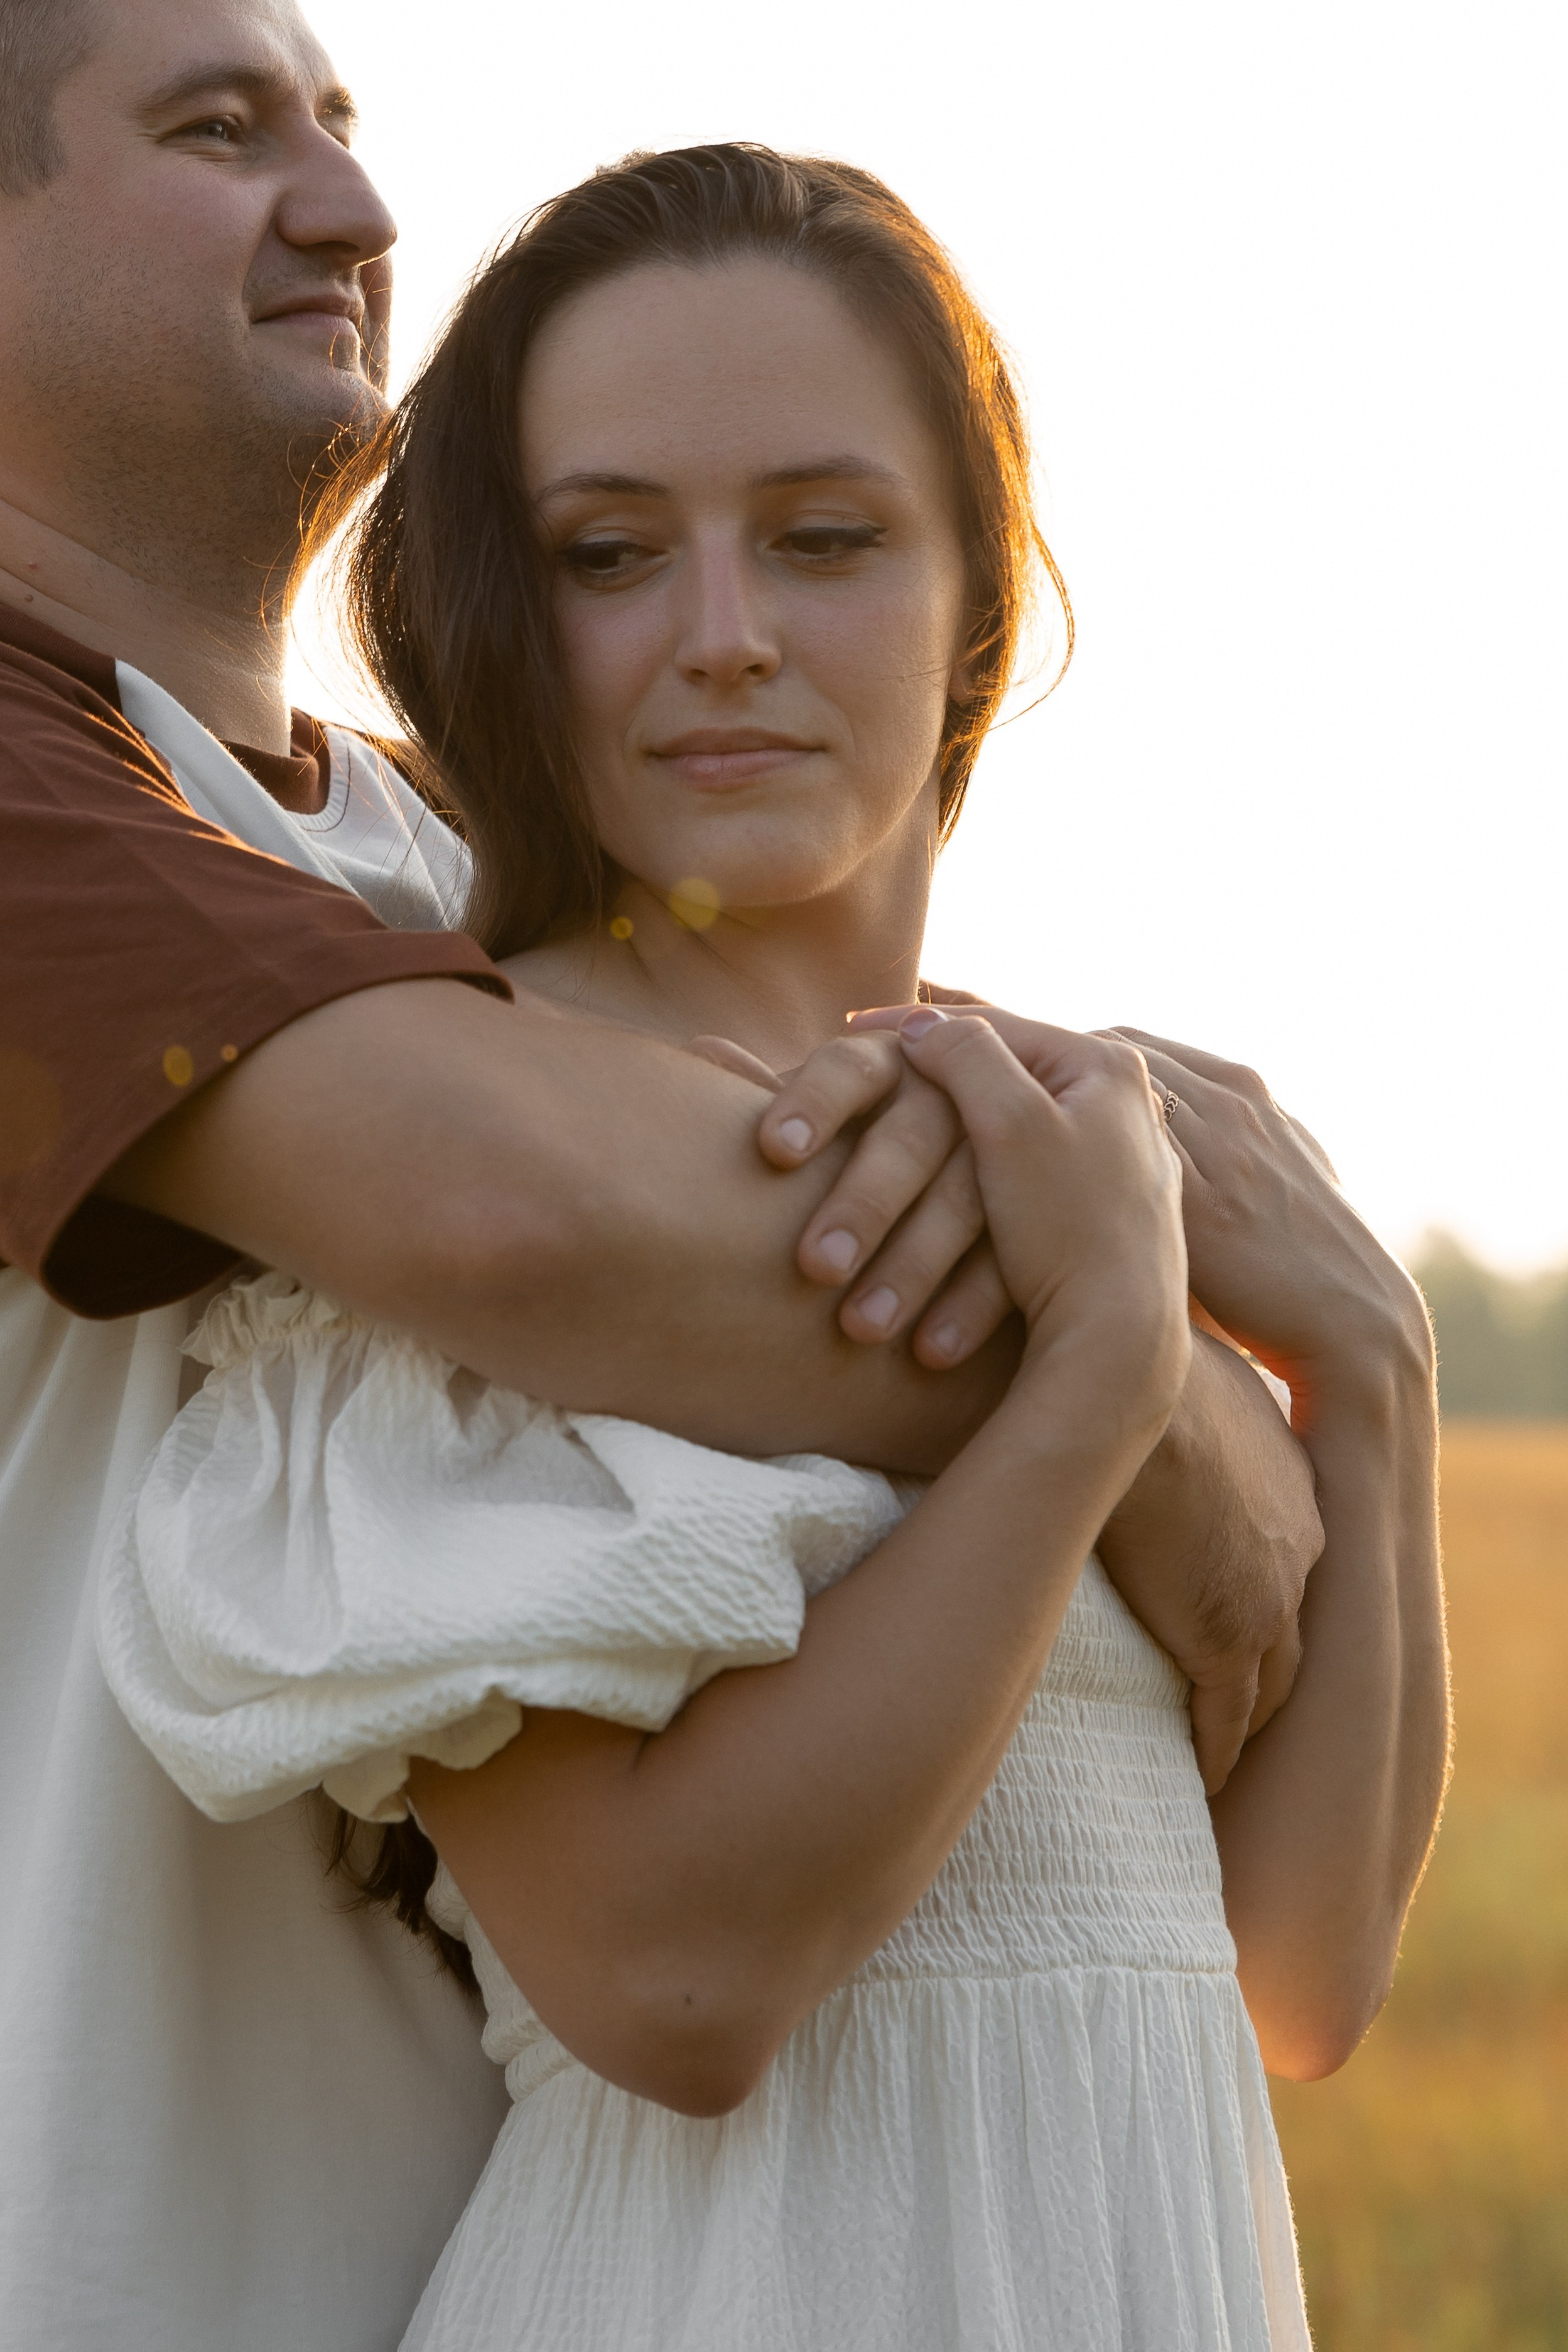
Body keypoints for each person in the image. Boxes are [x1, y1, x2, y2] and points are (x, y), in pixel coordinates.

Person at [0, 5, 1349, 2348]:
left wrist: (1334, 1365)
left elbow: (1290, 1970)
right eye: (219, 129)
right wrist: (1152, 1372)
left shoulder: (434, 875)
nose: (353, 206)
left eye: (344, 120)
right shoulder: (77, 825)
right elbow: (527, 1213)